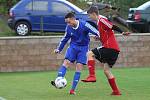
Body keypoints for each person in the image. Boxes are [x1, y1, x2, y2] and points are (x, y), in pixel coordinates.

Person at [81, 6, 130, 95]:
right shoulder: (99, 23)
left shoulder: (102, 20)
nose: (89, 17)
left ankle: (92, 76)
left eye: (89, 15)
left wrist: (122, 32)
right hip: (114, 50)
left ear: (94, 14)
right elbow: (107, 33)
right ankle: (116, 91)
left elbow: (112, 26)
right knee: (106, 71)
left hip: (109, 47)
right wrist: (99, 37)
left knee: (89, 54)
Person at [51, 12, 99, 95]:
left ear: (73, 19)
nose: (68, 24)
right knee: (66, 62)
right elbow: (65, 39)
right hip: (73, 46)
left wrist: (98, 36)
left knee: (79, 66)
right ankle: (58, 80)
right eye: (66, 22)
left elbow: (96, 31)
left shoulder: (84, 24)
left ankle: (72, 90)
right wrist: (59, 49)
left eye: (69, 22)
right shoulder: (68, 28)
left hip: (84, 48)